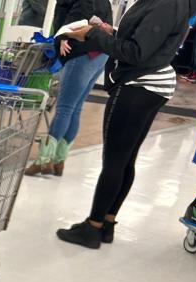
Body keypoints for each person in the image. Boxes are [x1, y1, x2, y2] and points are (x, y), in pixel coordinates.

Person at [57, 0, 196, 248]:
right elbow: (147, 41)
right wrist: (111, 32)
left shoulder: (166, 4)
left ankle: (92, 228)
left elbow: (137, 52)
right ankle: (106, 223)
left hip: (139, 84)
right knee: (125, 158)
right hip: (152, 82)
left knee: (114, 161)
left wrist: (92, 34)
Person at [25, 0, 114, 177]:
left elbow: (76, 18)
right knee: (75, 108)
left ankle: (44, 161)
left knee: (65, 108)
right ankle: (59, 160)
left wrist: (62, 37)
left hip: (81, 53)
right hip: (100, 54)